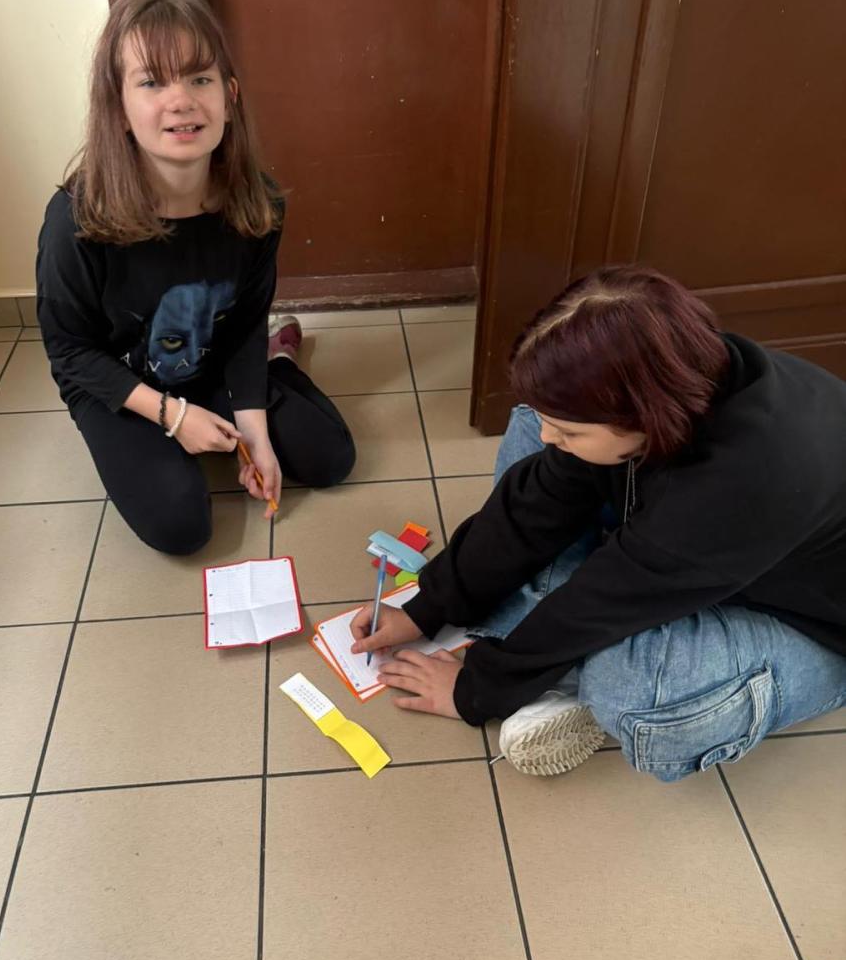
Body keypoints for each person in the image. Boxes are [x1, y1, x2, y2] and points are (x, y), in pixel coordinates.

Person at [350, 267, 846, 781]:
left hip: (814, 622)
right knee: (531, 428)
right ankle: (552, 662)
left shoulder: (743, 481)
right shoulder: (677, 376)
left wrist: (476, 689)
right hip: (700, 552)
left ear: (645, 416)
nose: (551, 436)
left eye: (567, 430)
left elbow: (606, 597)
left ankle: (558, 665)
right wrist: (428, 606)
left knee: (629, 689)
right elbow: (534, 505)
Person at [37, 0, 355, 553]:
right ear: (119, 108)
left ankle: (278, 362)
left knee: (330, 458)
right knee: (180, 527)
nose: (181, 100)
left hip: (208, 358)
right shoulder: (76, 219)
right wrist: (173, 416)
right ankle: (236, 388)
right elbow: (71, 353)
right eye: (152, 82)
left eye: (200, 78)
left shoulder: (258, 204)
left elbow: (244, 323)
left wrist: (255, 432)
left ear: (229, 96)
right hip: (119, 381)